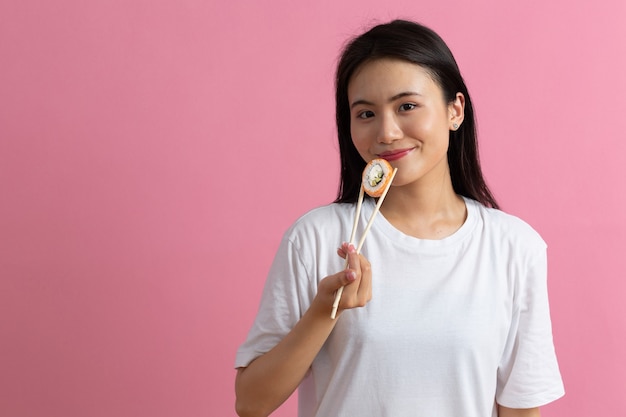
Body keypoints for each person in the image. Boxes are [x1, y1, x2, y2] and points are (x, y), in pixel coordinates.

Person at [234, 19, 564, 417]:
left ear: (455, 110)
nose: (387, 133)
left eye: (406, 106)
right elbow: (250, 403)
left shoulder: (515, 247)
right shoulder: (315, 238)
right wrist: (325, 312)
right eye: (366, 113)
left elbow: (520, 406)